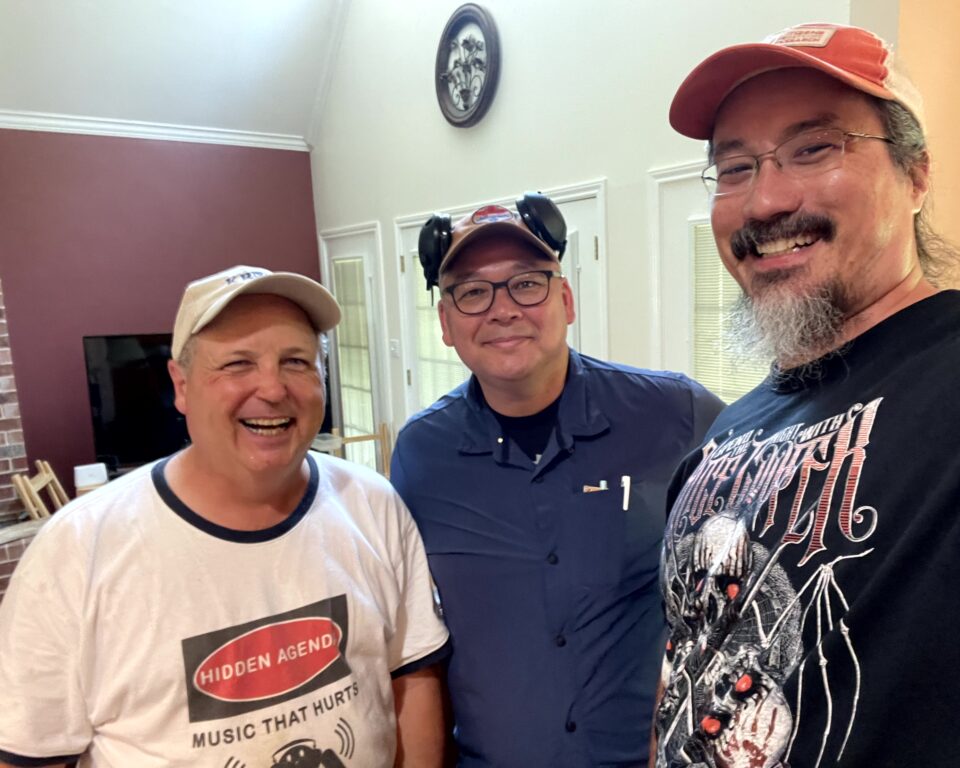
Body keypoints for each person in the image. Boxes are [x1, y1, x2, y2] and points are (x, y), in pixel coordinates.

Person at [655, 22, 960, 768]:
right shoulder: (719, 441)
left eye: (814, 148)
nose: (765, 201)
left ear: (916, 175)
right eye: (735, 167)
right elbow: (682, 677)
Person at [0, 265, 450, 767]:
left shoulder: (372, 503)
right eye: (238, 363)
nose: (273, 389)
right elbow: (30, 754)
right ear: (181, 384)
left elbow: (413, 676)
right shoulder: (76, 550)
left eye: (296, 361)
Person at [390, 194, 723, 766]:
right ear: (445, 323)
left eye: (526, 283)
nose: (502, 309)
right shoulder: (421, 457)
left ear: (565, 300)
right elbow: (418, 639)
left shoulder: (677, 416)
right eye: (472, 292)